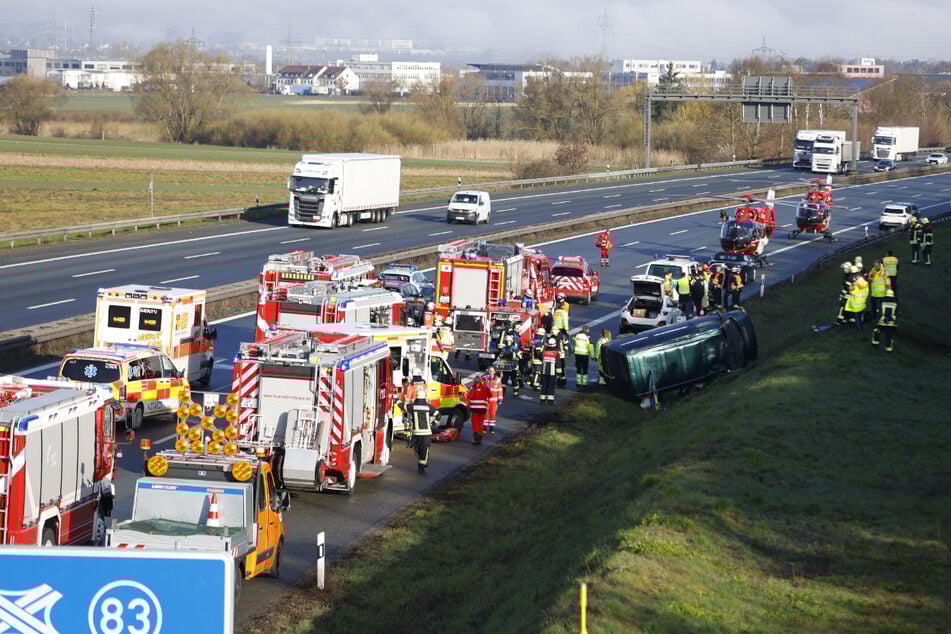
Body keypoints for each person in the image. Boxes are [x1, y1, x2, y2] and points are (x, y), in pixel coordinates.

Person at [410, 387, 433, 474]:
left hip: (416, 432)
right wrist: (433, 423)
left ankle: (422, 463)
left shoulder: (412, 406)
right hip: (426, 432)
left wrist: (396, 399)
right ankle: (422, 466)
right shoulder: (428, 407)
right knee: (425, 448)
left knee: (418, 448)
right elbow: (438, 415)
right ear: (424, 397)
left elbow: (403, 406)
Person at [466, 375, 490, 444]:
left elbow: (469, 396)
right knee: (480, 423)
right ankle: (480, 438)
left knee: (475, 423)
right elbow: (490, 395)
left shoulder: (473, 388)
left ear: (474, 382)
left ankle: (476, 439)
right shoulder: (485, 388)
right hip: (483, 409)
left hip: (475, 409)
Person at [844, 266, 868, 333]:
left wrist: (851, 288)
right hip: (862, 302)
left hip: (856, 303)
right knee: (860, 316)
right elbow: (866, 291)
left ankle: (860, 330)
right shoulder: (864, 282)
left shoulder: (855, 283)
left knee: (857, 317)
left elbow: (851, 292)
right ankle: (860, 328)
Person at [540, 335, 560, 404]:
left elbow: (541, 360)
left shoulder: (544, 352)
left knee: (544, 386)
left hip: (544, 372)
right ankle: (550, 401)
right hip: (552, 373)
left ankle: (542, 400)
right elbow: (558, 364)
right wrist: (559, 372)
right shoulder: (556, 353)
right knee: (551, 386)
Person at [485, 366, 503, 435]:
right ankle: (484, 428)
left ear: (495, 372)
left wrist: (500, 399)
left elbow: (500, 390)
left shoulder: (498, 380)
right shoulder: (485, 378)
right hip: (486, 400)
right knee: (485, 414)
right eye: (489, 370)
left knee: (492, 414)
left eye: (492, 371)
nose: (491, 372)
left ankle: (492, 428)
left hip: (494, 400)